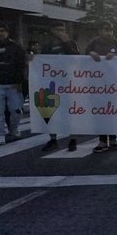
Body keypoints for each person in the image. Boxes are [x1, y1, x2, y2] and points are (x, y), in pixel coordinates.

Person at [86, 21, 117, 153]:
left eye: (110, 29)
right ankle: (102, 140)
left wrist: (115, 56)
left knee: (110, 112)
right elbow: (81, 56)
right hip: (96, 84)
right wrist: (91, 54)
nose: (109, 32)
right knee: (100, 112)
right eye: (105, 29)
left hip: (113, 84)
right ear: (100, 31)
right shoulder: (93, 43)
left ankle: (113, 139)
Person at [40, 22, 80, 152]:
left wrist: (66, 43)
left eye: (63, 30)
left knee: (70, 112)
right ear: (52, 30)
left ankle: (73, 139)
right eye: (58, 30)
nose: (62, 32)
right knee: (51, 111)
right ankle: (53, 139)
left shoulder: (71, 43)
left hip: (68, 83)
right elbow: (42, 61)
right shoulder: (48, 44)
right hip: (52, 82)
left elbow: (76, 58)